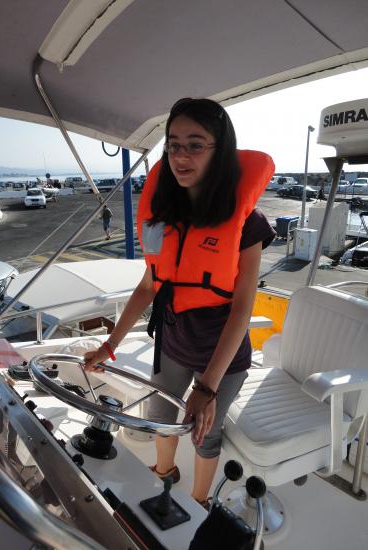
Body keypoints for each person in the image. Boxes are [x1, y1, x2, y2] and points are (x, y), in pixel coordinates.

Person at [84, 98, 275, 508]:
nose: (180, 155)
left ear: (219, 150)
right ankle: (162, 472)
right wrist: (110, 344)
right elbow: (148, 286)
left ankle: (199, 500)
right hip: (174, 341)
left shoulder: (248, 223)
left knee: (205, 430)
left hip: (220, 352)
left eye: (195, 144)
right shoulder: (164, 212)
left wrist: (206, 387)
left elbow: (242, 309)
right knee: (160, 415)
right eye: (173, 145)